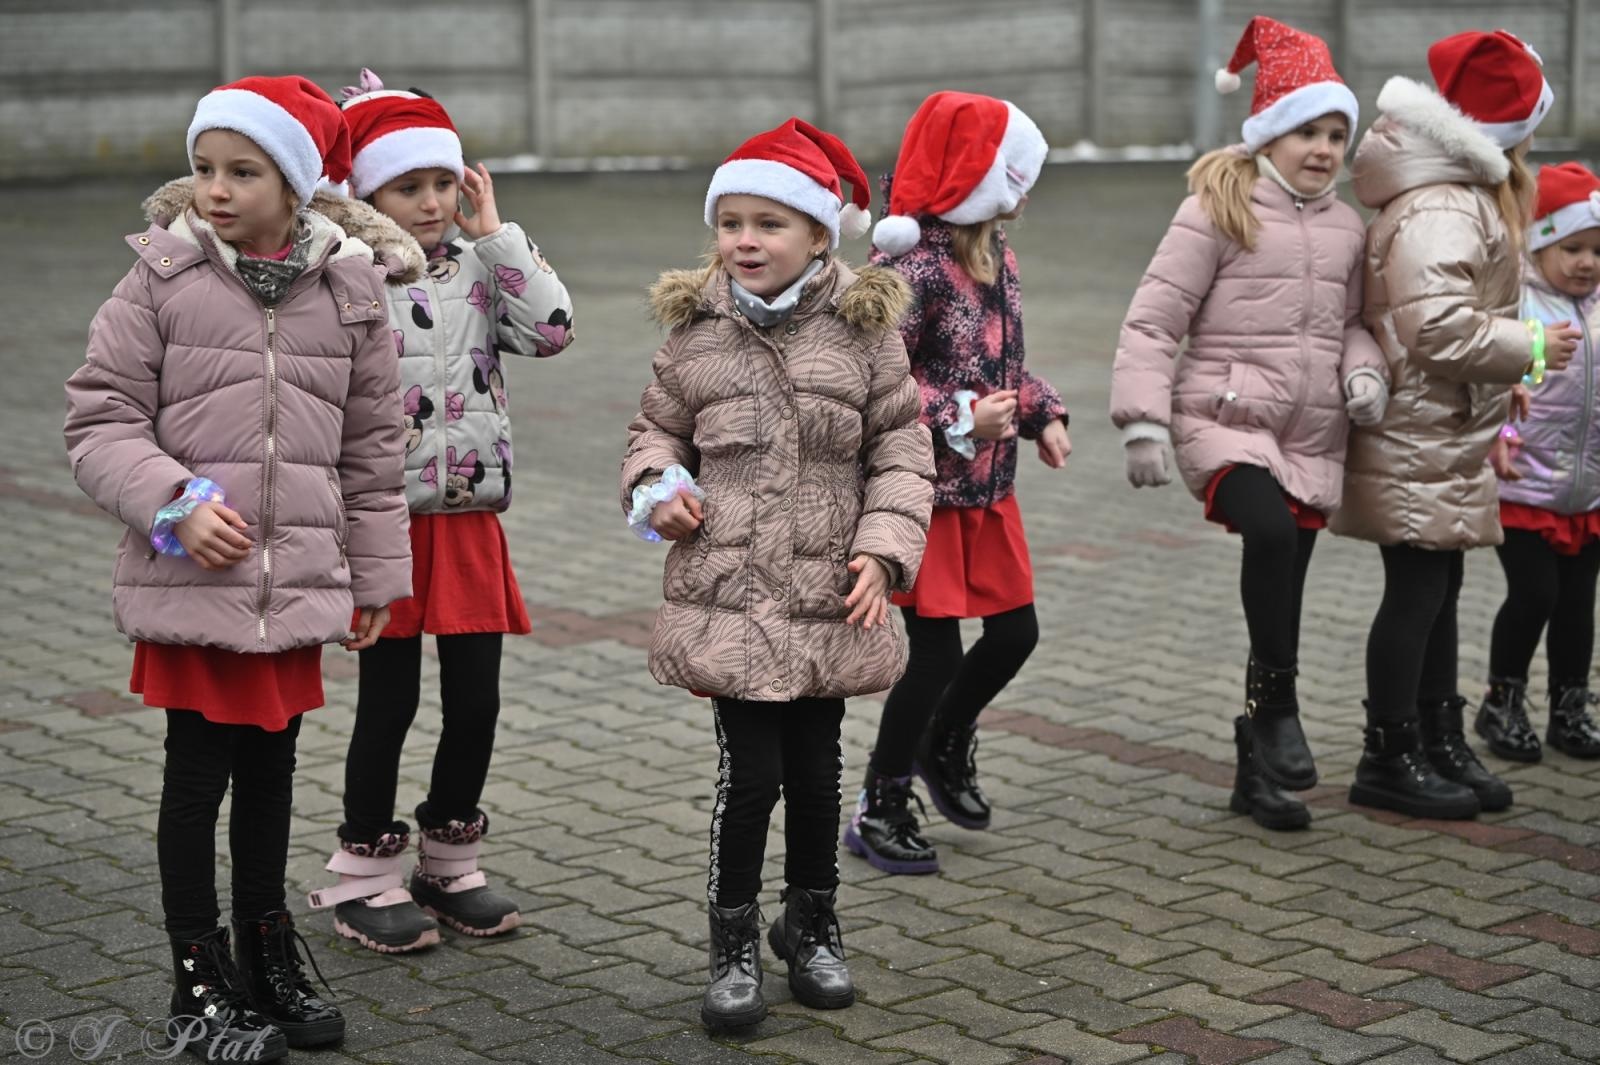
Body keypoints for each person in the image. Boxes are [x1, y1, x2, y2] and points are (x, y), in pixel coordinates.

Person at [63, 75, 414, 1059]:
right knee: (196, 776)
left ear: (296, 184)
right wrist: (170, 500)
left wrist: (377, 578)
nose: (215, 188)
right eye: (205, 167)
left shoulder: (351, 292)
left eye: (243, 171)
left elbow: (373, 452)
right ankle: (196, 976)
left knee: (272, 771)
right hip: (193, 580)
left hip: (294, 582)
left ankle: (266, 950)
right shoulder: (160, 278)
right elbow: (99, 419)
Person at [620, 118, 933, 1030]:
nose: (745, 241)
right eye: (731, 223)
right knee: (750, 776)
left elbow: (902, 449)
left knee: (818, 774)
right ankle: (732, 943)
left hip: (828, 594)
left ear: (818, 234)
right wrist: (657, 486)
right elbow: (655, 429)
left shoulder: (864, 331)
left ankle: (812, 924)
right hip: (732, 593)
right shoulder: (697, 330)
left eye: (769, 223)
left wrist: (883, 548)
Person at [308, 68, 576, 954]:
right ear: (364, 195)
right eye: (408, 187)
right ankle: (366, 871)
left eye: (443, 184)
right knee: (388, 704)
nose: (431, 204)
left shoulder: (477, 269)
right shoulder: (343, 276)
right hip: (386, 524)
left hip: (467, 523)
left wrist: (497, 236)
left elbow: (552, 330)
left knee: (477, 700)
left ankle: (449, 859)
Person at [1110, 18, 1384, 829]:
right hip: (1223, 418)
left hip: (1312, 432)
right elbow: (1154, 320)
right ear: (1270, 133)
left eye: (1336, 135)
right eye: (1308, 131)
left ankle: (1256, 770)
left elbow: (1355, 324)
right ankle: (1279, 708)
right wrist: (1142, 422)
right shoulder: (1217, 210)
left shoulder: (1347, 228)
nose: (1324, 149)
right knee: (1268, 535)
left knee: (1285, 588)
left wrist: (1365, 371)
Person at [1335, 29, 1577, 817]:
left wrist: (1506, 381)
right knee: (1417, 590)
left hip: (1442, 424)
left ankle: (1438, 736)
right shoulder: (1445, 204)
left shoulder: (1459, 193)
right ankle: (1389, 752)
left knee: (1440, 584)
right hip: (1417, 428)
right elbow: (1436, 327)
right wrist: (1529, 346)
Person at [844, 91, 1066, 874]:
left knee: (1015, 634)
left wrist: (1040, 412)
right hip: (924, 496)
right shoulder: (911, 270)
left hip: (989, 493)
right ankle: (880, 801)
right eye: (1014, 174)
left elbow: (1000, 365)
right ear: (977, 177)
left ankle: (943, 738)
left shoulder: (996, 255)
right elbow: (875, 384)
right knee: (932, 658)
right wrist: (964, 414)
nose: (1025, 191)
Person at [1479, 160, 1600, 762]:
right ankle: (1502, 702)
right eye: (1572, 248)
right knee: (1535, 594)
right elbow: (1495, 382)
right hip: (1523, 483)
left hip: (1587, 490)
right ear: (1540, 242)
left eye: (1597, 251)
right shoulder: (1518, 302)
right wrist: (1501, 431)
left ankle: (1569, 706)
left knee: (1578, 604)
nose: (1587, 263)